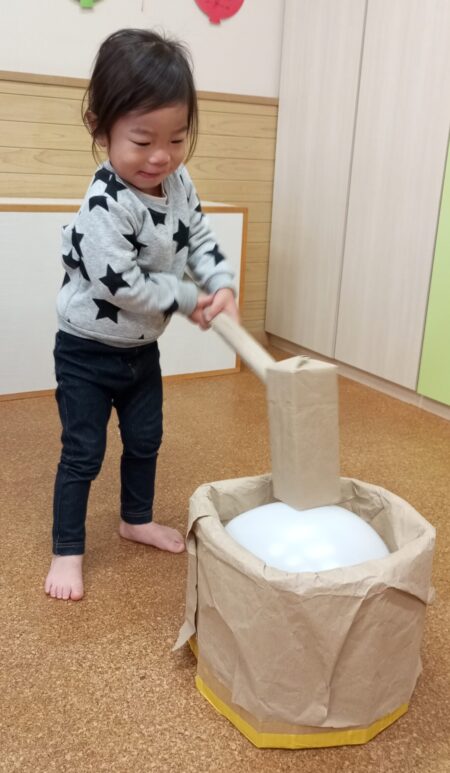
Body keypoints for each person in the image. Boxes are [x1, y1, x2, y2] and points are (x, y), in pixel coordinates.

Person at [44, 28, 238, 601]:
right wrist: (187, 299)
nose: (161, 156)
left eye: (177, 138)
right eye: (142, 140)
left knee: (146, 439)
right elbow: (125, 286)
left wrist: (219, 282)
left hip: (139, 350)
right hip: (85, 350)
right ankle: (67, 549)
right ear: (100, 128)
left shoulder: (177, 180)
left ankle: (136, 519)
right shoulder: (105, 203)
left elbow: (198, 235)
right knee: (83, 452)